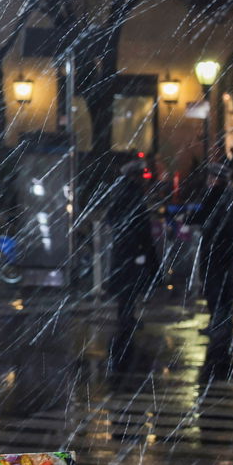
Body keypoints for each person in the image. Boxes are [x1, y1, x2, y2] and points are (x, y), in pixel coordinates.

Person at [104, 157, 157, 373]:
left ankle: (126, 316)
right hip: (132, 248)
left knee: (126, 283)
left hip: (124, 248)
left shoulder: (122, 193)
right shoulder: (132, 195)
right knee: (130, 283)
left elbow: (111, 219)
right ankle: (126, 317)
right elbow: (138, 222)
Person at [192, 164, 233, 384]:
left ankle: (219, 325)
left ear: (216, 178)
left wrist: (187, 218)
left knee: (214, 287)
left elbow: (203, 217)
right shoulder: (231, 196)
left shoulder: (215, 195)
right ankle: (222, 323)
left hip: (214, 249)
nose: (208, 180)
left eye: (210, 177)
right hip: (226, 249)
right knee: (222, 286)